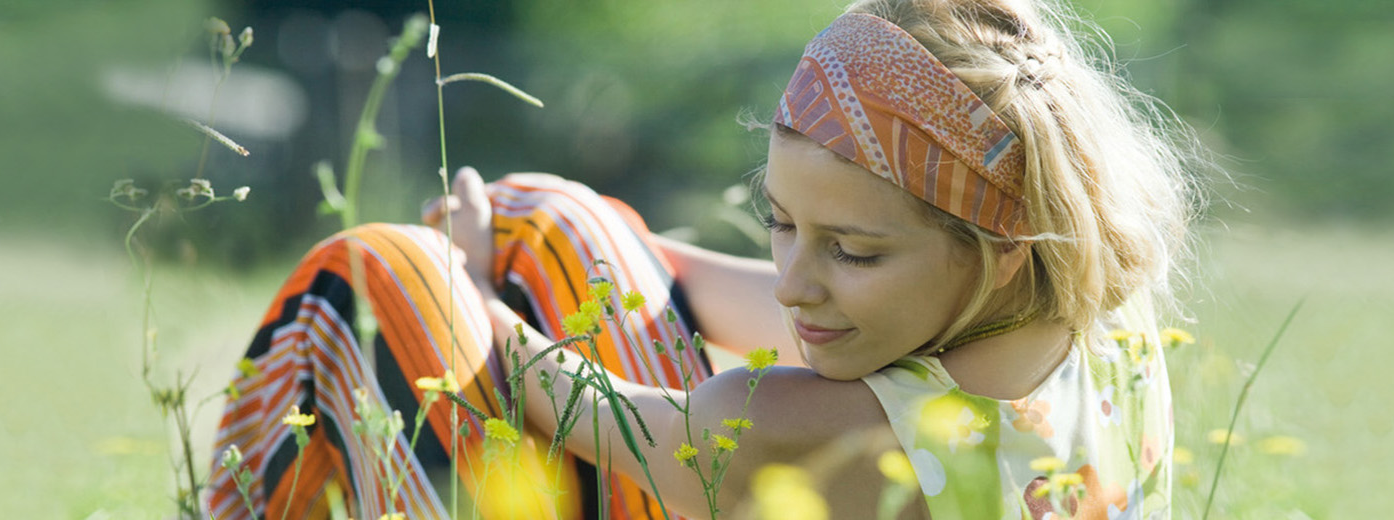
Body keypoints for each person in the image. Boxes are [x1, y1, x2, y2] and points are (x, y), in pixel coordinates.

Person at [205, 0, 1202, 518]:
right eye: (781, 223)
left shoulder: (811, 428)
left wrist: (462, 281)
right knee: (557, 218)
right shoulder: (1089, 325)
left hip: (650, 429)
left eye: (851, 250)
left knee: (386, 274)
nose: (795, 280)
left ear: (1002, 252)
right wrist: (550, 219)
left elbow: (535, 381)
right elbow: (696, 280)